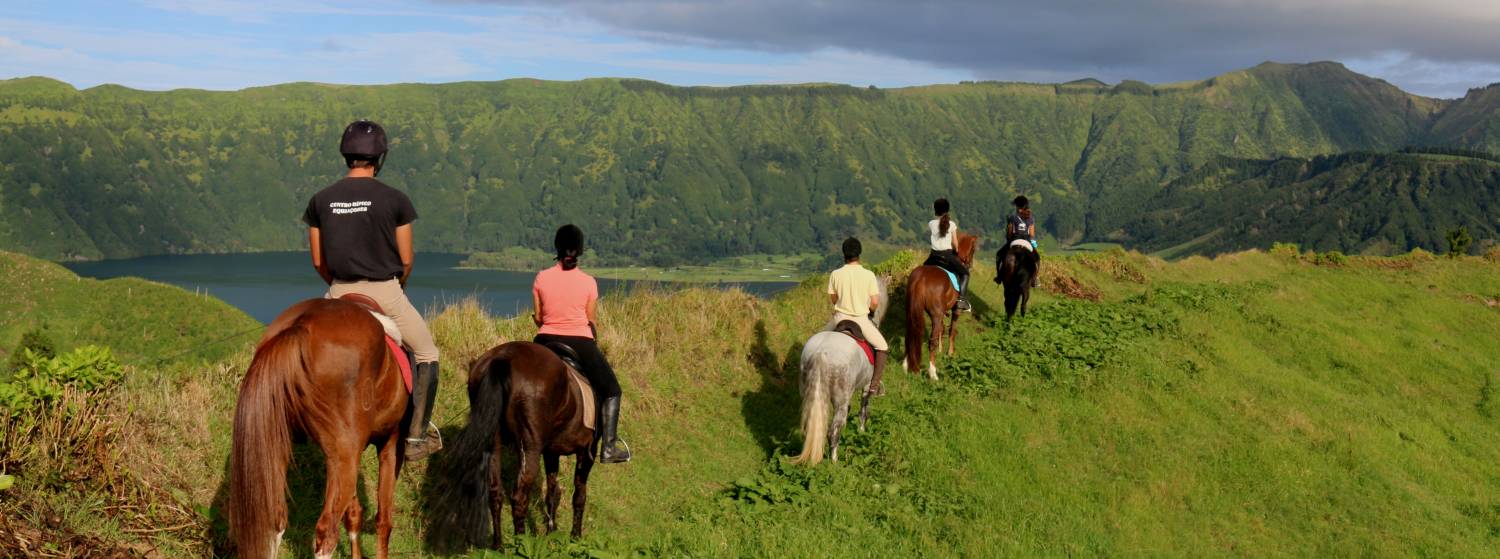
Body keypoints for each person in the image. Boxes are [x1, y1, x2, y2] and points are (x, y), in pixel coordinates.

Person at [304, 119, 442, 461]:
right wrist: (398, 286)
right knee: (427, 354)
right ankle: (416, 438)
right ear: (379, 157)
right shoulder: (395, 199)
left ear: (345, 155)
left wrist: (338, 287)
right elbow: (406, 259)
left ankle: (302, 423)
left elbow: (318, 262)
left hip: (337, 292)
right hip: (385, 292)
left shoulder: (321, 200)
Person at [531, 224, 632, 464]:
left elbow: (539, 318)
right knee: (612, 390)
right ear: (580, 250)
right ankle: (608, 448)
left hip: (545, 339)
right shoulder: (589, 282)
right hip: (581, 343)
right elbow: (591, 319)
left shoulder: (541, 277)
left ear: (557, 247)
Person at [825, 237, 890, 396]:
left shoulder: (835, 274)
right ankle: (874, 386)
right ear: (859, 254)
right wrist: (870, 309)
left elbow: (833, 299)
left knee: (816, 341)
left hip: (839, 318)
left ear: (844, 254)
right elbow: (875, 302)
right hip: (861, 320)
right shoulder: (868, 275)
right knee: (883, 347)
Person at [920, 198, 971, 312]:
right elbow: (955, 243)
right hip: (947, 255)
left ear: (935, 210)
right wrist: (956, 250)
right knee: (965, 274)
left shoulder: (931, 223)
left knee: (921, 271)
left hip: (933, 257)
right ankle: (961, 301)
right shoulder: (952, 225)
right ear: (947, 210)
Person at [1005, 195, 1039, 287]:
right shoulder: (1030, 218)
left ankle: (999, 276)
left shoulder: (1013, 217)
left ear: (1017, 206)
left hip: (1014, 241)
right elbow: (1032, 234)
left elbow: (1009, 233)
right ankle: (1035, 278)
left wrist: (1009, 240)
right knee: (1037, 259)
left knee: (1000, 255)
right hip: (1027, 242)